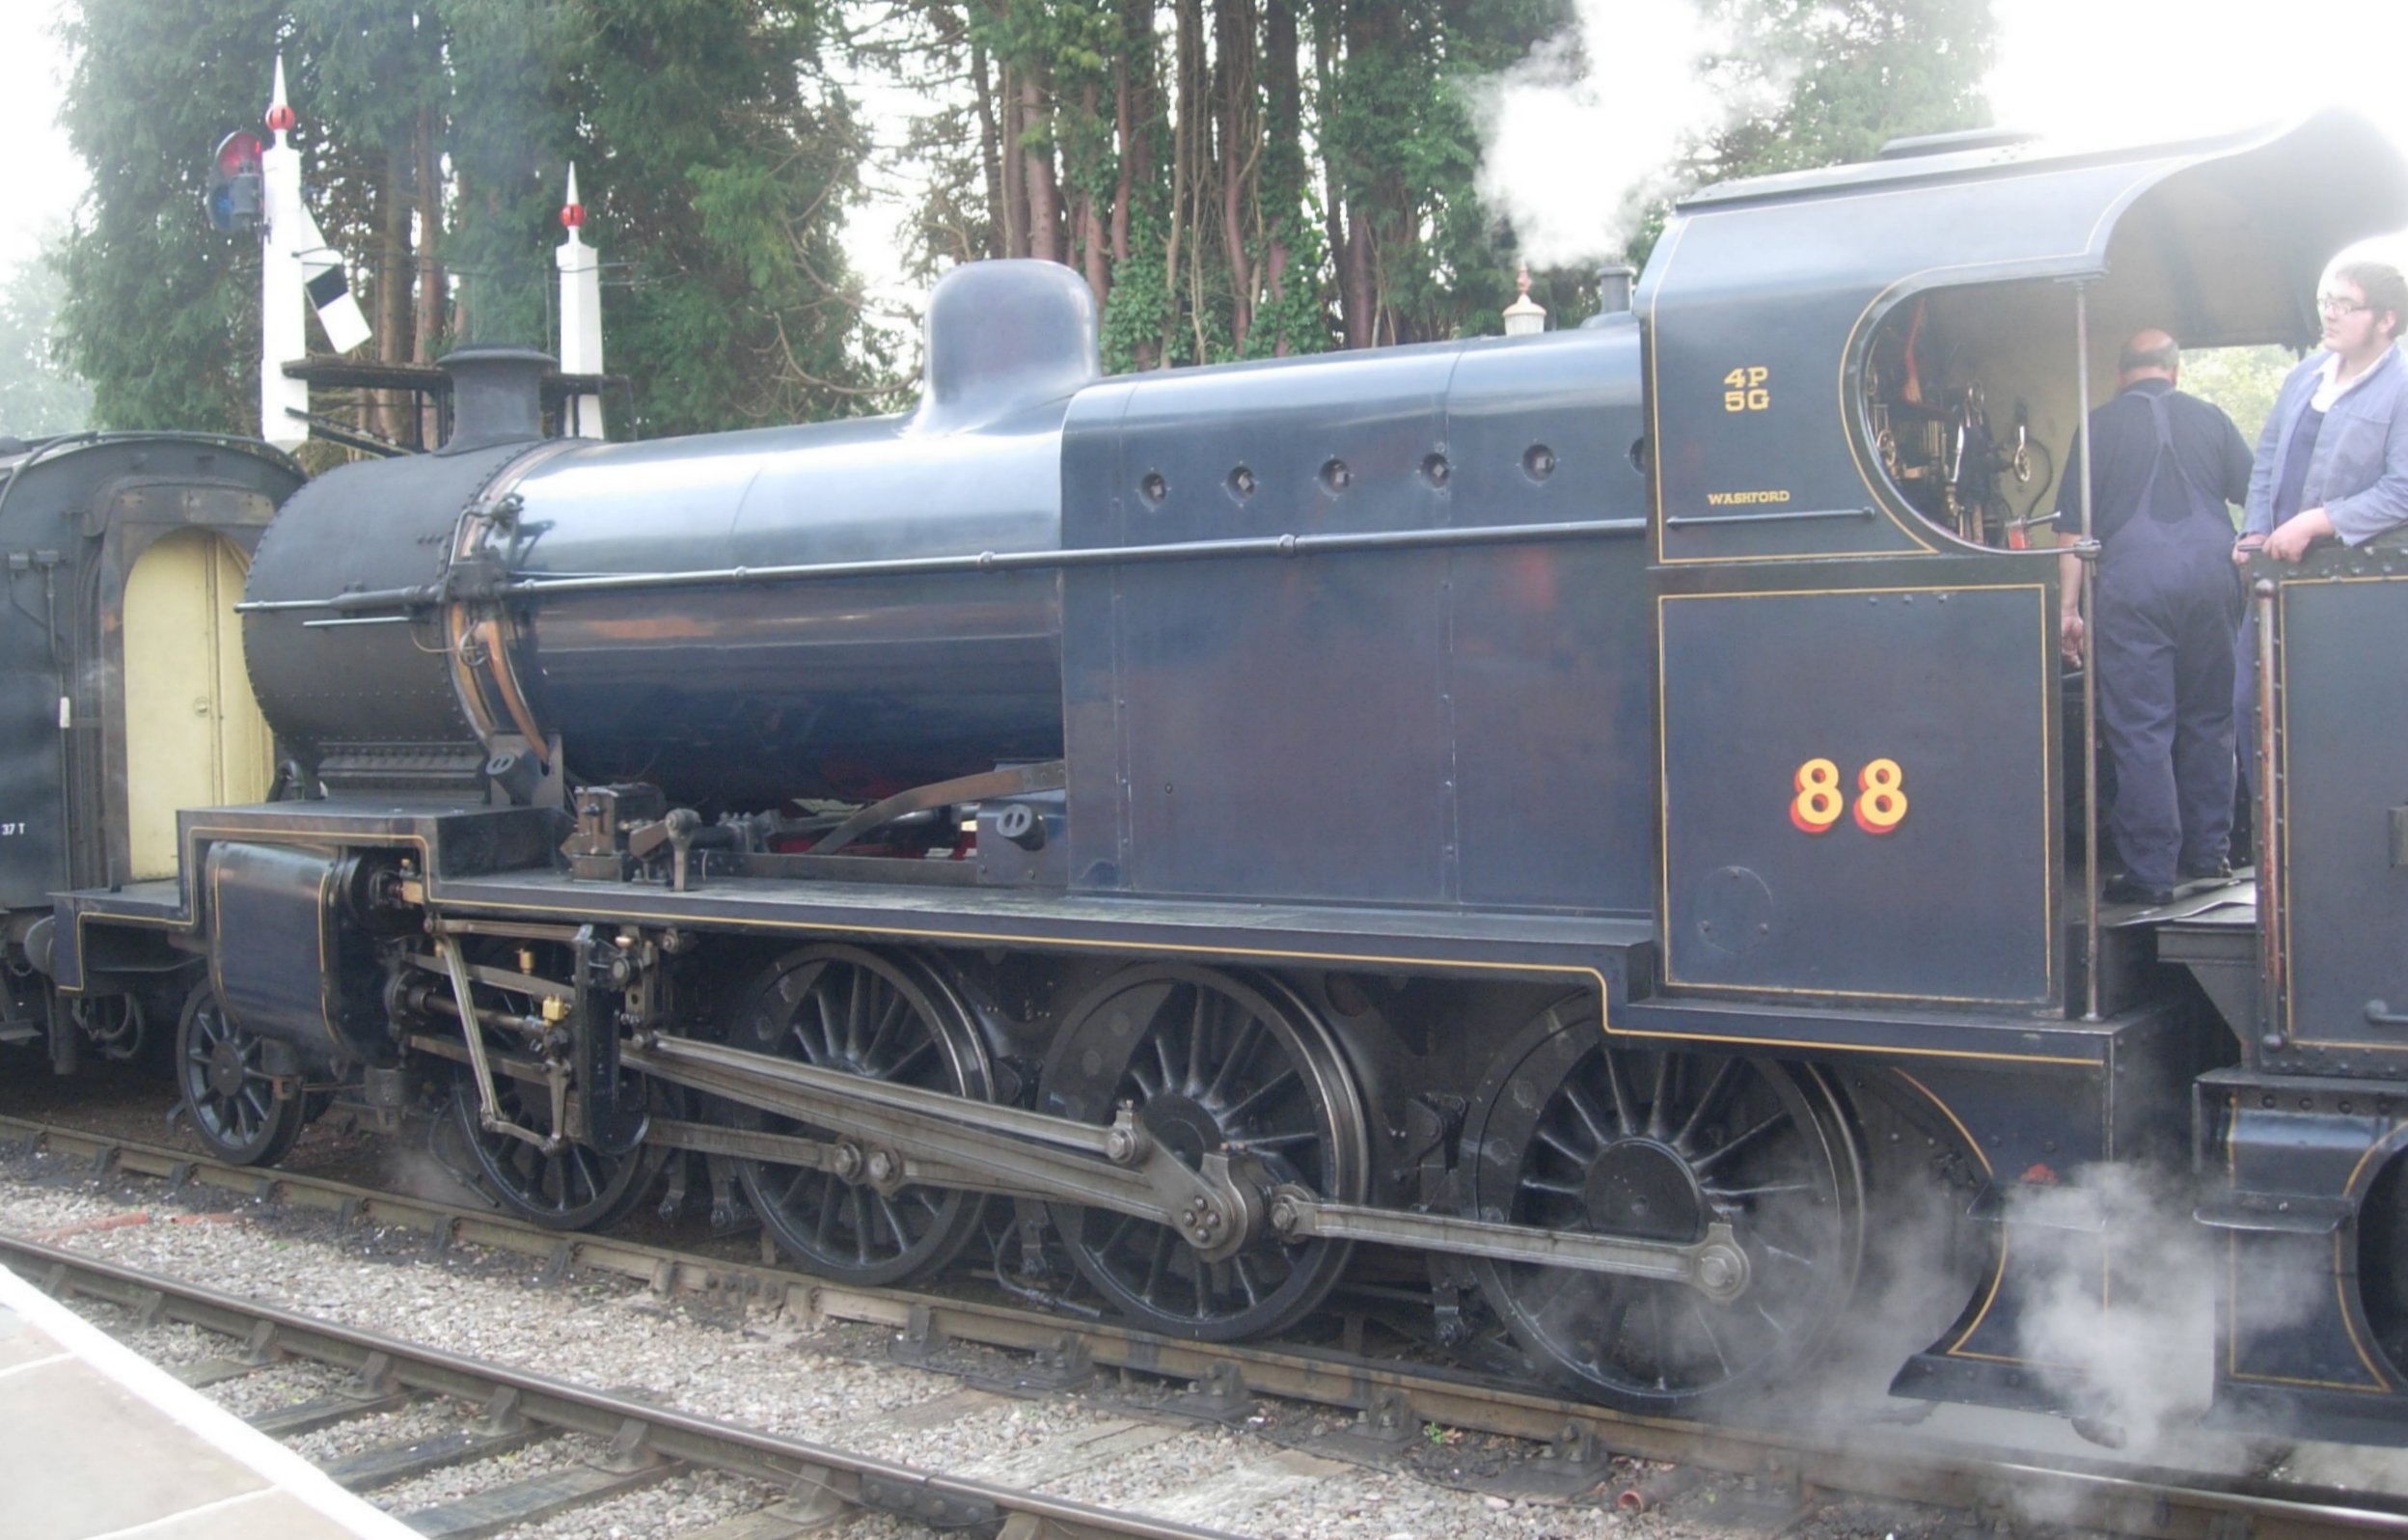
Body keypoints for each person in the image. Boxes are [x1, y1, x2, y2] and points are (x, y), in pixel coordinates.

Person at [2058, 329, 2253, 907]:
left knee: (2142, 728)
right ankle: (2209, 855)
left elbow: (2072, 530)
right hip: (2212, 580)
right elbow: (2258, 494)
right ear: (2176, 371)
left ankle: (2151, 873)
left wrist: (2068, 609)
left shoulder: (2097, 426)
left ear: (2121, 375)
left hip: (2134, 585)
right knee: (2210, 719)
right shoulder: (2213, 418)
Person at [2229, 261, 2408, 858]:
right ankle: (2272, 858)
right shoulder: (2304, 375)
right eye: (2326, 300)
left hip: (2347, 584)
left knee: (2332, 722)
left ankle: (2332, 856)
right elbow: (2266, 459)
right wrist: (2256, 530)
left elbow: (2402, 489)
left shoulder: (2403, 387)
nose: (2329, 313)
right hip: (2274, 579)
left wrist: (2317, 521)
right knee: (2249, 708)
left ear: (2386, 319)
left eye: (2345, 304)